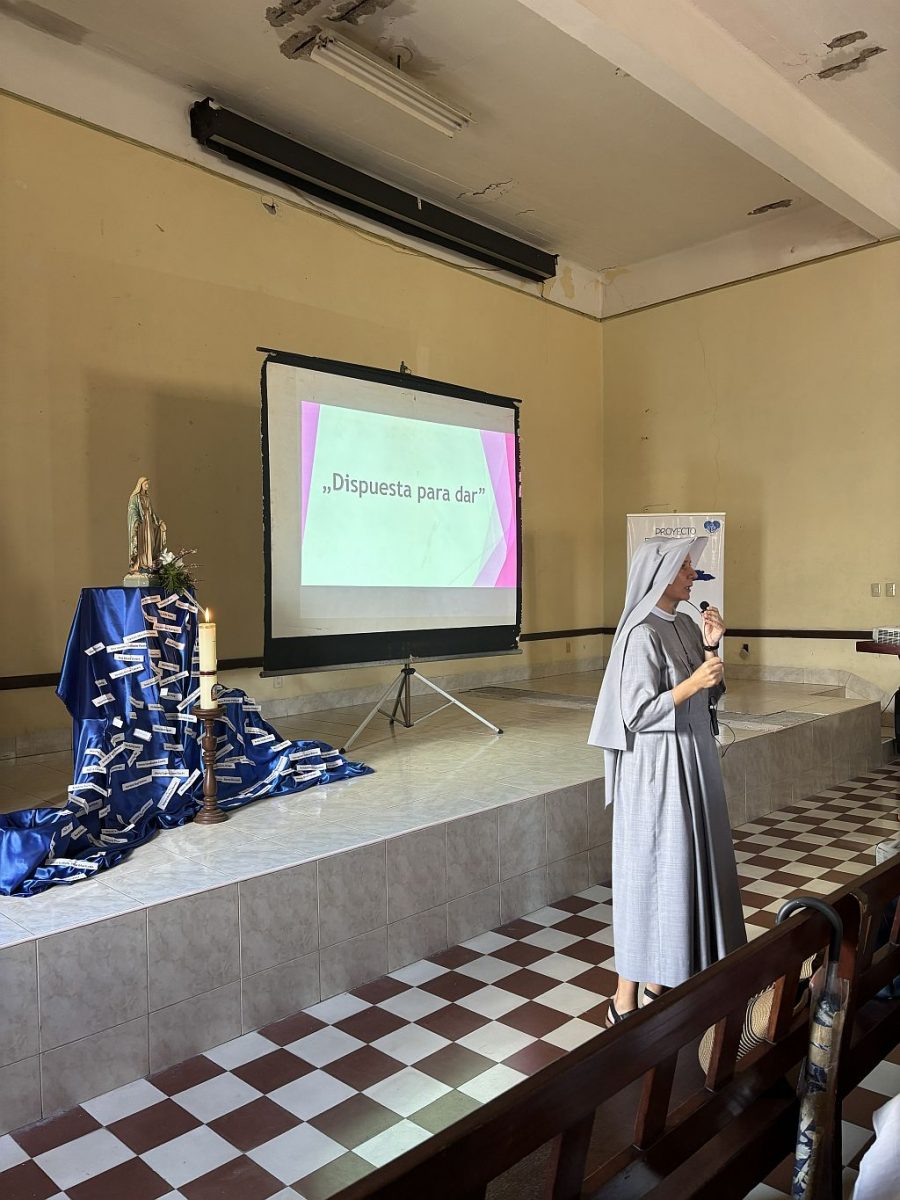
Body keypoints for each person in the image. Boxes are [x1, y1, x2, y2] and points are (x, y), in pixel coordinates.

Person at [588, 536, 746, 1023]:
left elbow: (708, 696)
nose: (692, 575)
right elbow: (636, 713)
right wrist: (693, 682)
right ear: (658, 574)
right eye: (683, 567)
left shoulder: (683, 625)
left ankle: (663, 981)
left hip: (692, 759)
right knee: (651, 872)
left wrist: (711, 648)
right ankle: (624, 1000)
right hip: (657, 769)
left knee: (683, 868)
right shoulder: (641, 633)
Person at [127, 476, 167, 573]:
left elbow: (152, 513)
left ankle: (149, 563)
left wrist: (159, 522)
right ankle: (140, 564)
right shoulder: (135, 498)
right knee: (143, 543)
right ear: (140, 485)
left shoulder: (147, 498)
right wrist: (136, 520)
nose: (147, 486)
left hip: (148, 522)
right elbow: (132, 510)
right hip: (141, 524)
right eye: (145, 484)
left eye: (148, 484)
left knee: (150, 542)